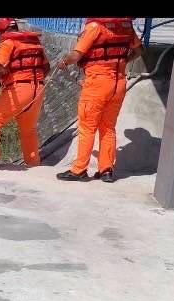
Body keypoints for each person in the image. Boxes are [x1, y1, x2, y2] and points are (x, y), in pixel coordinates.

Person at [55, 17, 143, 182]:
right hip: (119, 82)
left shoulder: (95, 27)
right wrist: (122, 62)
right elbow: (138, 51)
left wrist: (64, 62)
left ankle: (79, 169)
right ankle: (106, 169)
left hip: (98, 82)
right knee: (108, 128)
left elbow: (76, 55)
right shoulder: (126, 25)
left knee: (87, 127)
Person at [0, 18, 49, 167]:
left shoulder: (8, 43)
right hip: (38, 89)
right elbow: (47, 67)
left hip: (18, 89)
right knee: (28, 129)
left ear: (2, 31)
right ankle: (33, 164)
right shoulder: (35, 43)